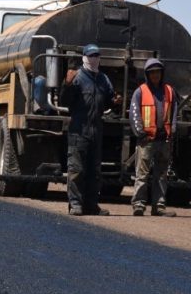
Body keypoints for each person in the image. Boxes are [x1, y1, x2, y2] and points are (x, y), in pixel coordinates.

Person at [60, 44, 120, 216]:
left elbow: (109, 100)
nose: (94, 59)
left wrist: (115, 101)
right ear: (85, 58)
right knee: (77, 170)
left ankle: (91, 205)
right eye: (91, 56)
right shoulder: (77, 77)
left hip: (96, 131)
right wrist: (67, 84)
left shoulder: (103, 79)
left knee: (94, 172)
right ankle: (75, 204)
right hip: (78, 130)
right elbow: (65, 101)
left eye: (96, 56)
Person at [129, 58, 178, 217]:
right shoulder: (140, 92)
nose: (155, 75)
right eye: (152, 73)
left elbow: (174, 112)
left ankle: (159, 206)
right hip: (147, 140)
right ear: (147, 75)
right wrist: (140, 133)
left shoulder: (169, 91)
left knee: (161, 175)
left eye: (157, 72)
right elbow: (134, 113)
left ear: (162, 73)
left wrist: (172, 130)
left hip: (164, 140)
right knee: (142, 174)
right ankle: (138, 205)